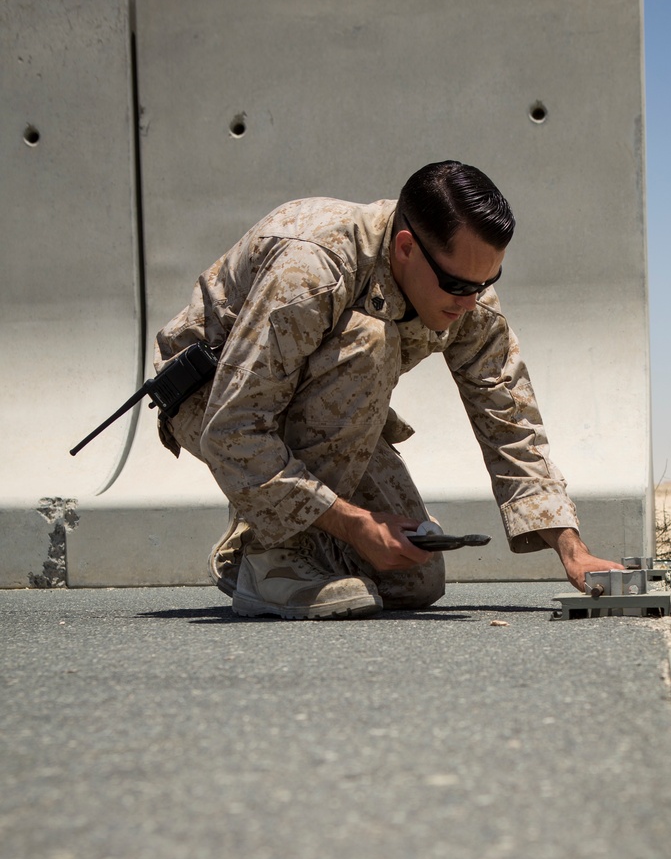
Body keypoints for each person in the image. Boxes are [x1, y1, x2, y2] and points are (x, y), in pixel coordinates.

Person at [155, 160, 624, 619]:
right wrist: (357, 526)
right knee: (367, 341)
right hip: (213, 400)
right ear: (405, 248)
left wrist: (572, 549)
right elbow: (233, 428)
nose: (469, 302)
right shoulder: (313, 267)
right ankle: (267, 555)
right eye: (458, 284)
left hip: (312, 411)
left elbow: (510, 418)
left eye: (486, 282)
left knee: (412, 579)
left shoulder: (466, 291)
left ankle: (278, 549)